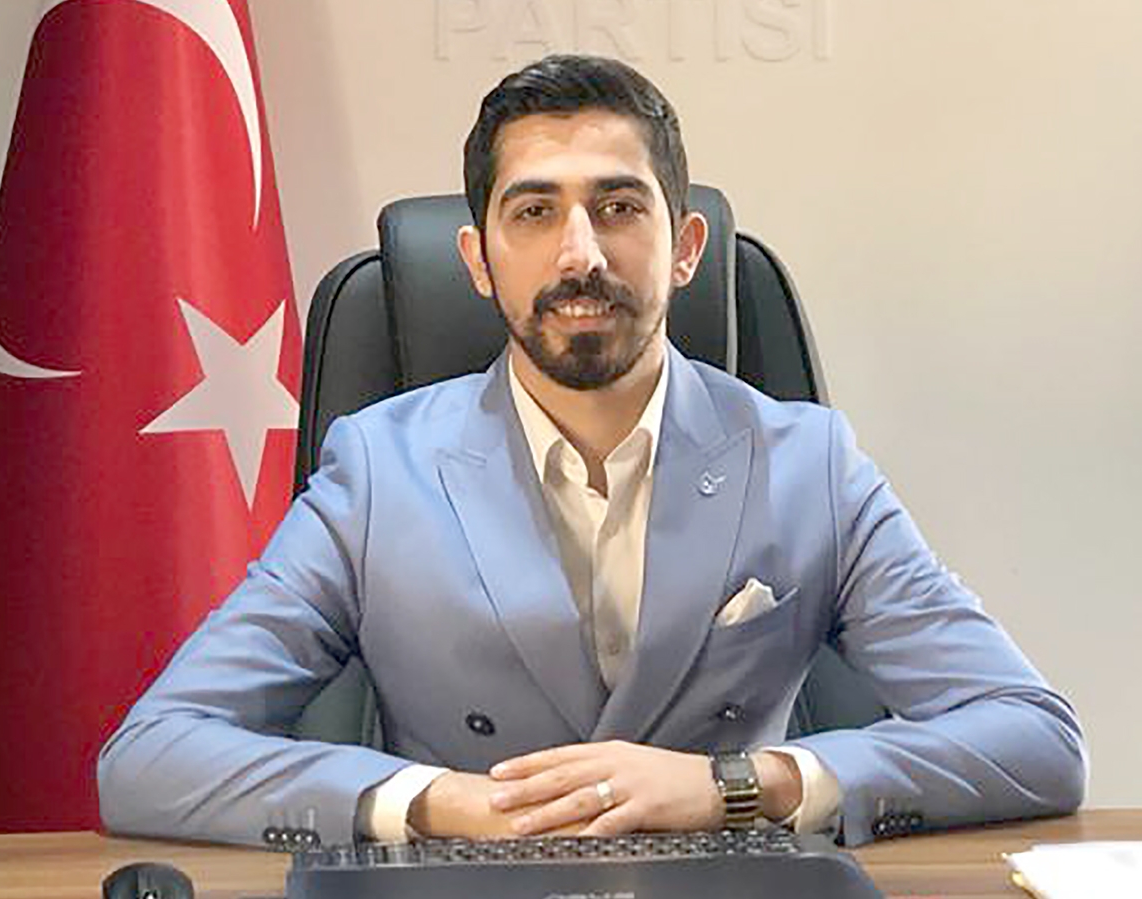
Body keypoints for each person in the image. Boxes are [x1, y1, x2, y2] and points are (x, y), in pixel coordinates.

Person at [96, 54, 1086, 849]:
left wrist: (738, 783)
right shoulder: (377, 473)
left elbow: (1033, 735)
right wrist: (434, 801)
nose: (581, 253)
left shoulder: (806, 464)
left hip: (730, 885)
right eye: (534, 212)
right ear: (478, 260)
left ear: (684, 247)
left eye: (618, 206)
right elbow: (150, 755)